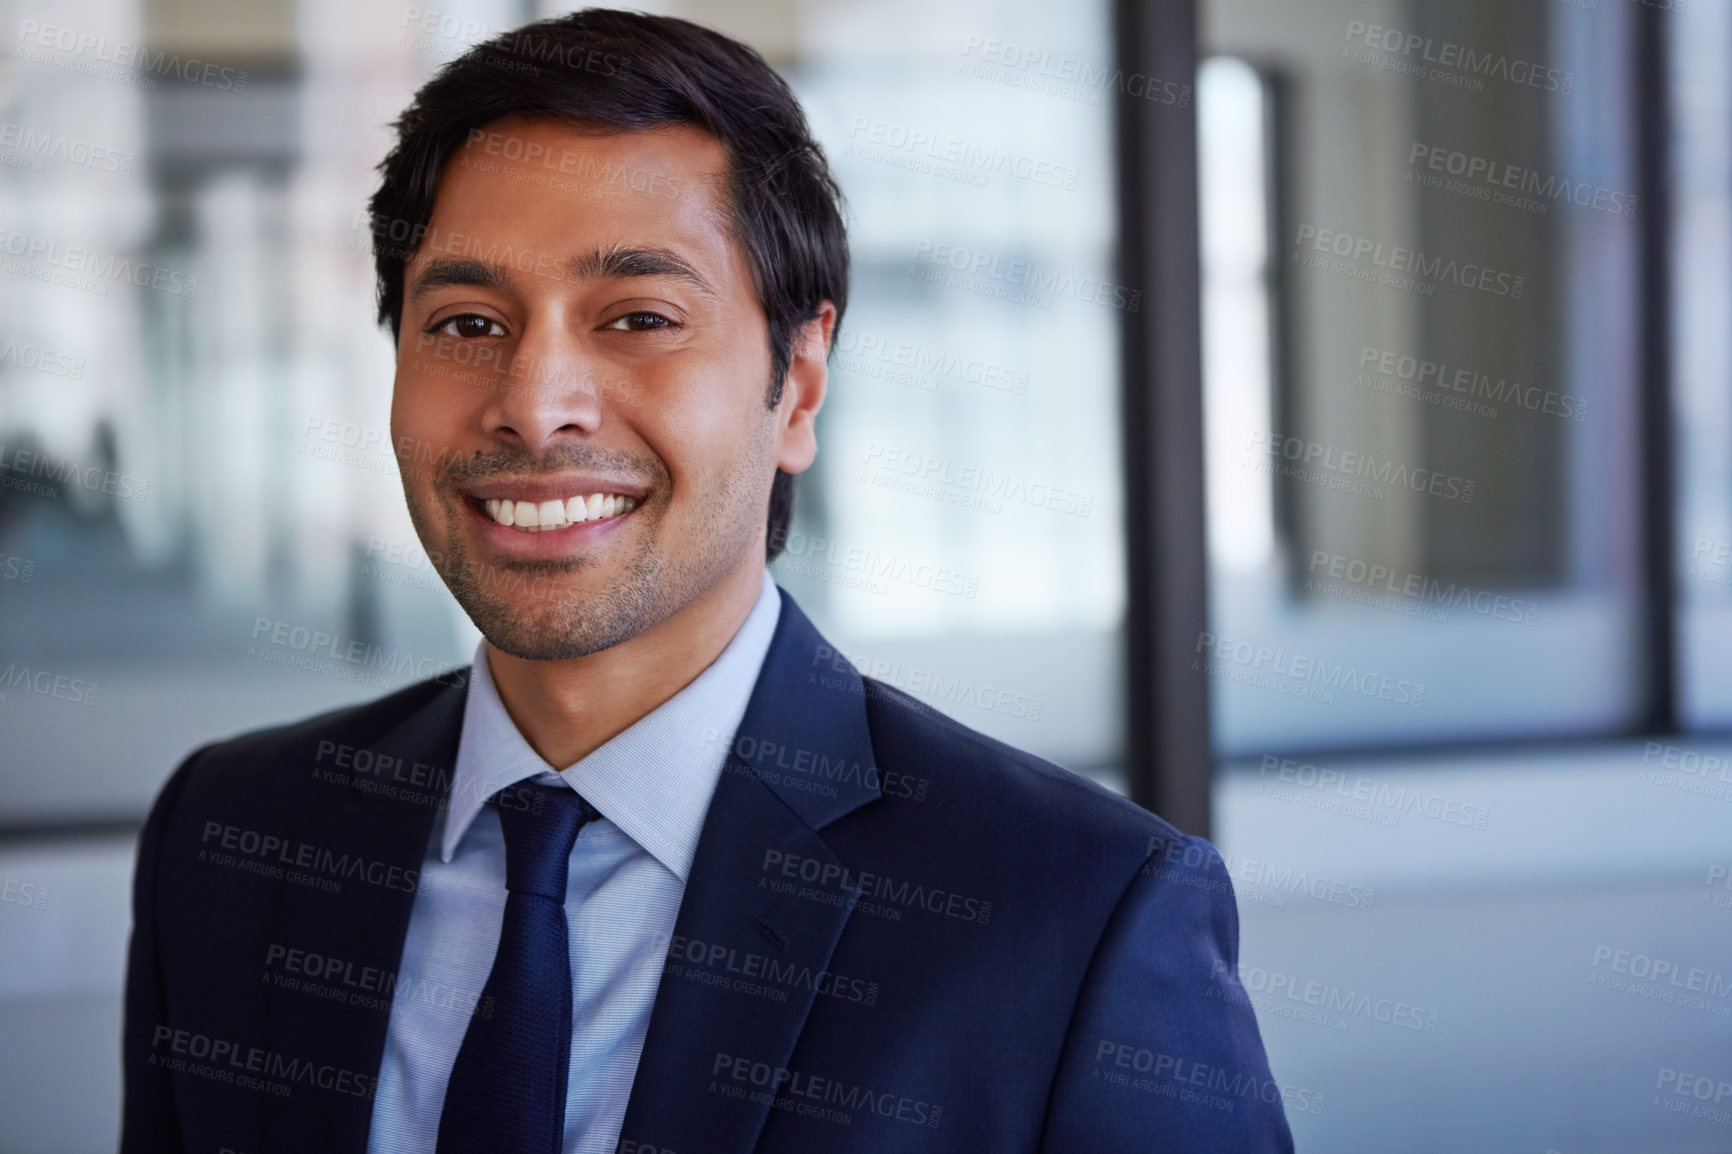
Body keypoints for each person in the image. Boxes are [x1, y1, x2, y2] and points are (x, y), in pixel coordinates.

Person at [120, 10, 1293, 1152]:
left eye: (637, 316)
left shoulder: (1073, 913)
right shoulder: (234, 835)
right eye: (469, 321)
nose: (534, 401)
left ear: (799, 381)